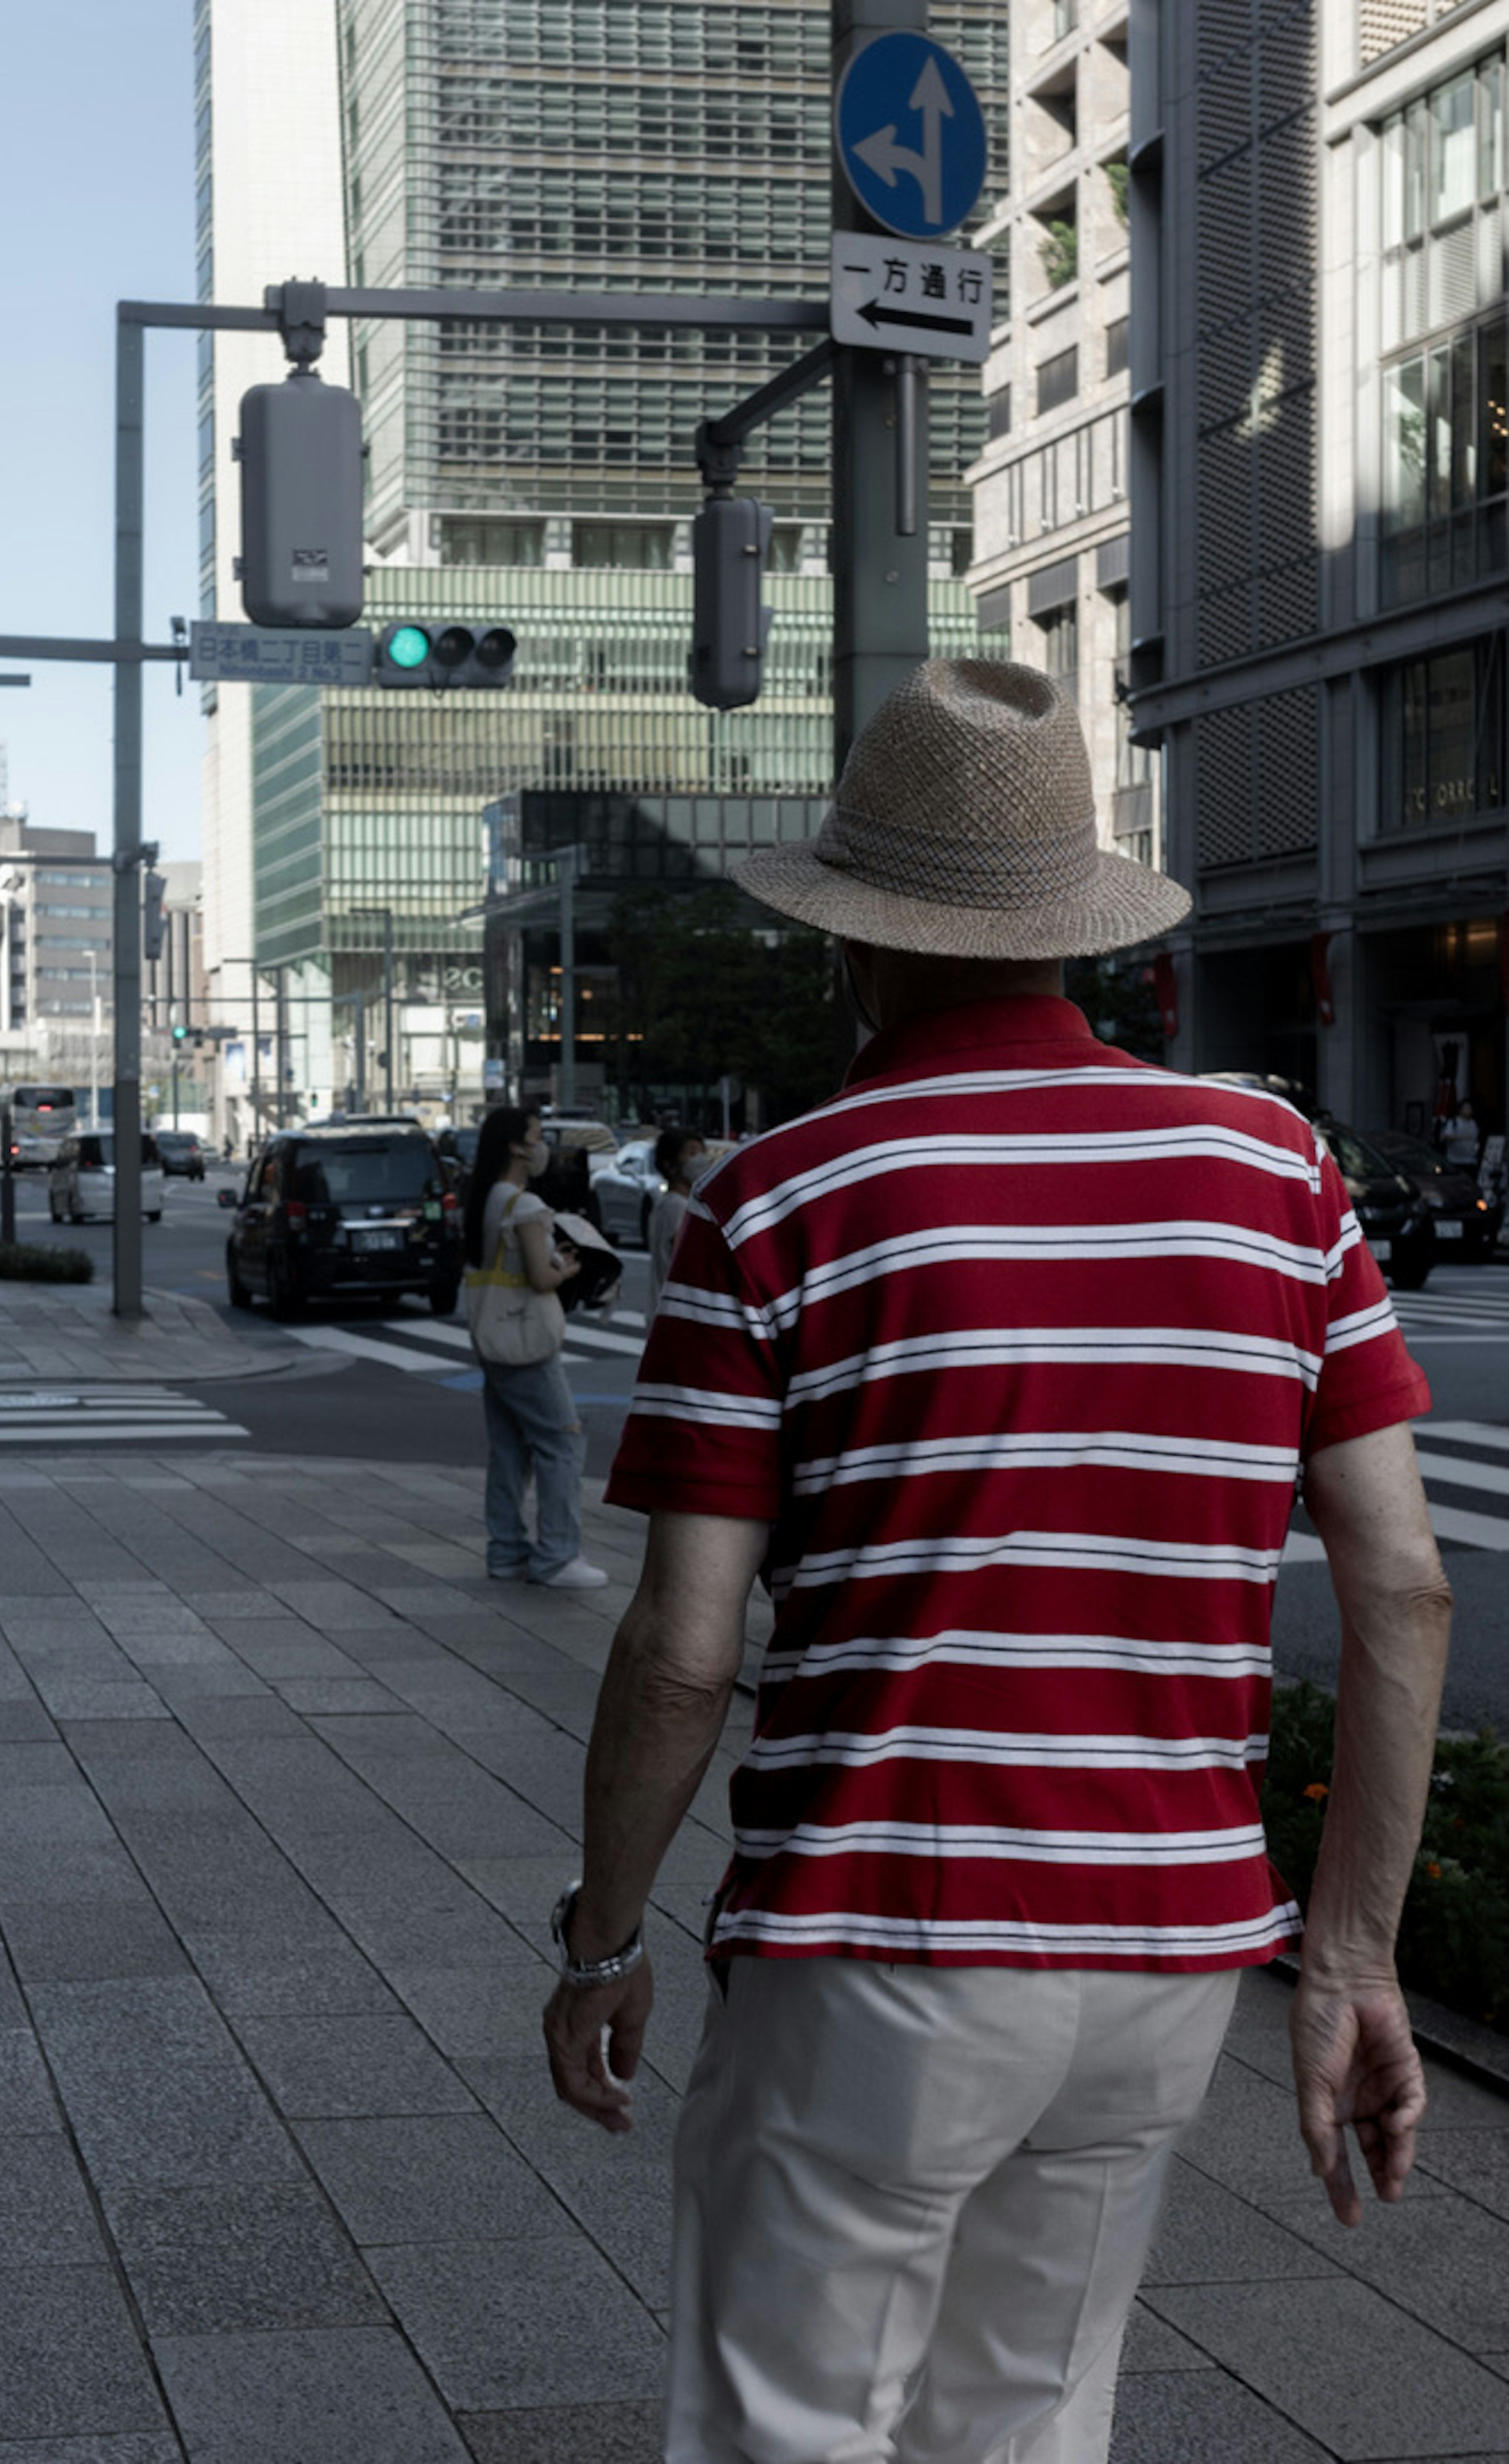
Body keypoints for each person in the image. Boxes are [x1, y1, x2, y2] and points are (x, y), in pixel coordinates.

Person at [542, 661, 1450, 2464]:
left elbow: (681, 1650)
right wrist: (1348, 1959)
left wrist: (600, 1936)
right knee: (1029, 2423)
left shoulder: (781, 1199)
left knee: (788, 2423)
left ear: (852, 944)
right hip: (1172, 1952)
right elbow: (1404, 1585)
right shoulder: (1279, 1173)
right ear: (1074, 928)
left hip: (877, 1933)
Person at [462, 1105, 607, 1591]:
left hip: (494, 1335)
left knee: (507, 1448)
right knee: (563, 1440)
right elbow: (541, 1278)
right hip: (527, 1339)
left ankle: (506, 1552)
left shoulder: (487, 1198)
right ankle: (557, 1556)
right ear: (516, 1146)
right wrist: (570, 1270)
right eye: (537, 1136)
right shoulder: (523, 1205)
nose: (543, 1146)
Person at [647, 1126, 709, 1314]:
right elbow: (689, 1263)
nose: (700, 1159)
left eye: (702, 1152)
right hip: (678, 1311)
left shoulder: (667, 1203)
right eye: (692, 1153)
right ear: (670, 1163)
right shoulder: (678, 1207)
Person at [1441, 1099, 1480, 1173]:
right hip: (1455, 1160)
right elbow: (1448, 1137)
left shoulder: (1473, 1124)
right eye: (1466, 1108)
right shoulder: (1453, 1122)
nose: (1468, 1110)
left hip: (1471, 1160)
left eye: (1470, 1108)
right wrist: (1463, 1138)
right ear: (1460, 1110)